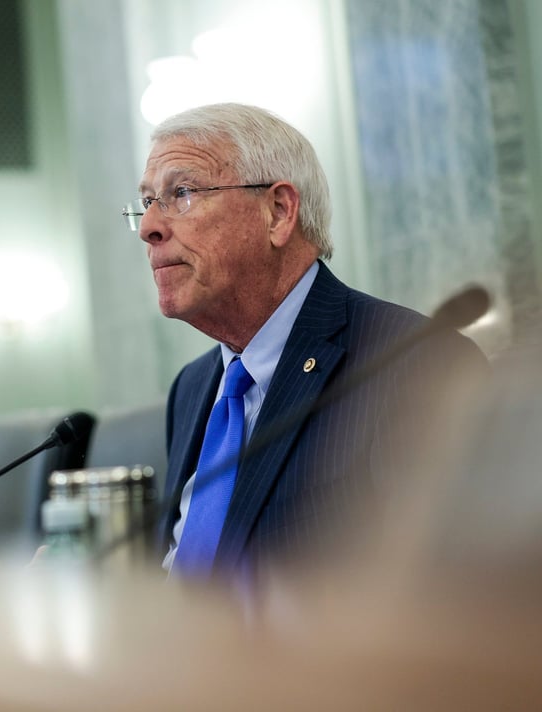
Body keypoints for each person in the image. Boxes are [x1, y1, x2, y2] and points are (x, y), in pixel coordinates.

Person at [122, 103, 488, 584]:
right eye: (146, 202)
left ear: (278, 212)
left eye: (182, 192)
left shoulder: (414, 364)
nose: (150, 227)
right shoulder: (191, 390)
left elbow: (451, 597)